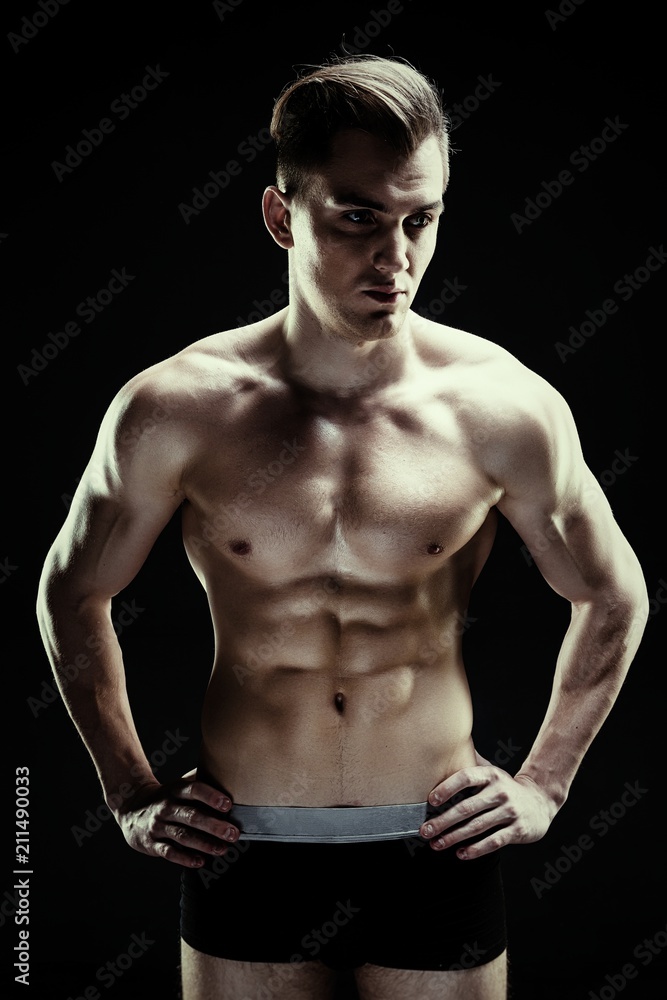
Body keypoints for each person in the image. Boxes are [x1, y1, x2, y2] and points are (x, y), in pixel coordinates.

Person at [36, 54, 648, 1000]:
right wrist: (129, 791)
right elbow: (73, 591)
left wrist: (545, 782)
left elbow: (611, 593)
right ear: (283, 216)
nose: (395, 258)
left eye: (421, 220)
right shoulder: (177, 407)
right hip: (245, 840)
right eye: (357, 217)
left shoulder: (502, 409)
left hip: (434, 836)